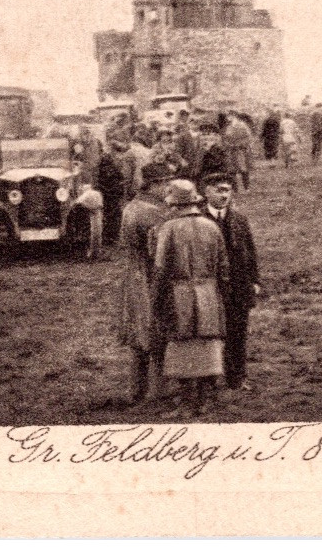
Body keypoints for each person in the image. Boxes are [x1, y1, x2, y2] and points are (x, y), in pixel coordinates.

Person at [150, 179, 230, 412]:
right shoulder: (211, 227)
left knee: (181, 345)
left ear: (174, 205)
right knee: (207, 344)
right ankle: (205, 400)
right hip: (208, 294)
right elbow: (223, 267)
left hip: (179, 295)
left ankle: (186, 401)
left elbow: (160, 269)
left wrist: (157, 300)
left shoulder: (169, 229)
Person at [200, 172, 260, 391]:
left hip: (237, 285)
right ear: (206, 192)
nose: (224, 195)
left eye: (227, 190)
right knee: (210, 332)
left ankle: (237, 377)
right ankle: (210, 377)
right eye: (218, 190)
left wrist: (254, 280)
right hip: (210, 285)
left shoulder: (239, 218)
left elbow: (250, 252)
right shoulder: (199, 219)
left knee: (238, 332)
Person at [117, 164, 172, 405]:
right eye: (165, 184)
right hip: (150, 277)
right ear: (154, 184)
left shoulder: (131, 207)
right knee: (157, 333)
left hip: (133, 276)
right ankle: (158, 392)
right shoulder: (153, 212)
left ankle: (136, 391)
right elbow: (158, 253)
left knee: (139, 339)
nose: (168, 189)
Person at [222, 113, 255, 191]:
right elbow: (225, 138)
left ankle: (246, 188)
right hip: (230, 150)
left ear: (235, 116)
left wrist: (240, 144)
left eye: (230, 115)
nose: (228, 118)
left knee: (243, 169)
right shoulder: (228, 127)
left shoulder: (242, 125)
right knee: (232, 170)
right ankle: (235, 189)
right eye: (228, 116)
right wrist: (227, 144)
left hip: (240, 150)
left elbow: (248, 137)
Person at [74, 181, 106, 261]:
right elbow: (101, 205)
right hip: (98, 212)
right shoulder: (97, 193)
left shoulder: (86, 194)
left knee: (92, 233)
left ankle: (92, 253)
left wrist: (86, 206)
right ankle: (98, 250)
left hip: (92, 213)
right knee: (98, 232)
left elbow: (77, 202)